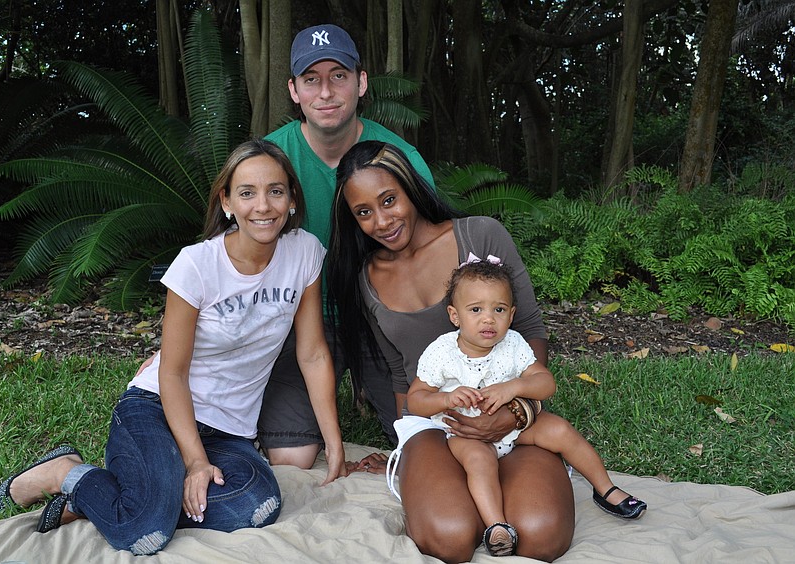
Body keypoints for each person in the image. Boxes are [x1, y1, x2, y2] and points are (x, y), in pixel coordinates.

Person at [0, 139, 347, 554]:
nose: (262, 206)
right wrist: (194, 462)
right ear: (227, 202)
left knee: (256, 505)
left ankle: (127, 497)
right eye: (247, 193)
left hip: (229, 431)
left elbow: (313, 353)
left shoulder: (303, 253)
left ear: (291, 201)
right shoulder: (196, 266)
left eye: (275, 191)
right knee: (144, 534)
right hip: (158, 408)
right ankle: (66, 474)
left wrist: (333, 441)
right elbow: (172, 372)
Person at [326, 140, 575, 562]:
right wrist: (406, 448)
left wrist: (516, 412)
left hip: (511, 418)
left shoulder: (480, 235)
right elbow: (399, 372)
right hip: (436, 427)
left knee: (542, 535)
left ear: (410, 188)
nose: (382, 221)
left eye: (389, 200)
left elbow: (530, 329)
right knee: (452, 538)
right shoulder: (365, 278)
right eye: (363, 212)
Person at [259, 23, 435, 468]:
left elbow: (433, 251)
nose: (326, 92)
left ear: (361, 82)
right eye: (311, 79)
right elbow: (231, 259)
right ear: (294, 90)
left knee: (427, 436)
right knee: (291, 457)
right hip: (303, 321)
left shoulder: (398, 157)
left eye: (338, 75)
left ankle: (370, 384)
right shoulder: (268, 161)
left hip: (384, 316)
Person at [406, 259, 647, 556]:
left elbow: (546, 384)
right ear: (455, 316)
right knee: (479, 462)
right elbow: (415, 400)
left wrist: (515, 386)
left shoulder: (513, 344)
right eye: (476, 309)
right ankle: (498, 526)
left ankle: (606, 489)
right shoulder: (442, 352)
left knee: (559, 430)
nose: (488, 319)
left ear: (511, 314)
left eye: (499, 309)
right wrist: (446, 398)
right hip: (465, 433)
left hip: (515, 426)